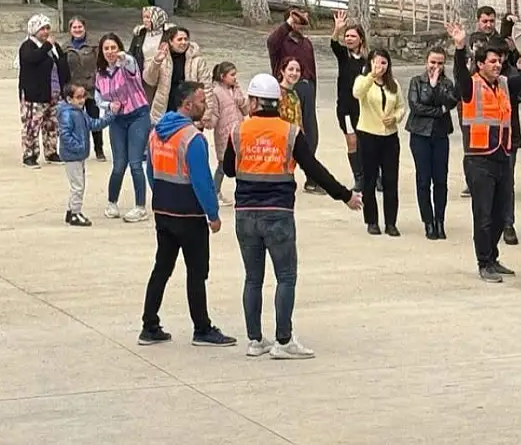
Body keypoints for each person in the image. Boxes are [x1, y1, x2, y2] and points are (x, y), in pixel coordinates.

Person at [223, 74, 363, 359]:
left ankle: (254, 340)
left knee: (253, 278)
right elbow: (314, 169)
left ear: (253, 101)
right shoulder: (290, 132)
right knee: (285, 276)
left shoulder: (238, 131)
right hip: (278, 213)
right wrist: (345, 195)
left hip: (245, 214)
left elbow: (227, 169)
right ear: (277, 102)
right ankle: (283, 341)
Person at [140, 80, 236, 347]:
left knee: (162, 268)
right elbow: (202, 180)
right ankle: (202, 328)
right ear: (187, 103)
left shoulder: (156, 132)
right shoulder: (192, 138)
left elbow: (151, 170)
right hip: (189, 215)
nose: (204, 106)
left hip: (163, 210)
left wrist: (161, 195)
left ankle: (149, 325)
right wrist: (212, 214)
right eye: (201, 101)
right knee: (196, 272)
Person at [448, 21, 521, 283]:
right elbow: (458, 74)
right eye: (491, 61)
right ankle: (484, 261)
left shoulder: (504, 83)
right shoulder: (470, 85)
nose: (497, 64)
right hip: (479, 157)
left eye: (499, 61)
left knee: (502, 213)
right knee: (483, 214)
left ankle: (493, 256)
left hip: (502, 153)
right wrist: (459, 47)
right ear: (480, 64)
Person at [94, 33, 152, 223]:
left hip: (138, 115)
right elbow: (98, 99)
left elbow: (131, 64)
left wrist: (123, 57)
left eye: (113, 47)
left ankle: (140, 207)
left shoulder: (127, 64)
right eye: (106, 48)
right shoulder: (100, 74)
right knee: (119, 164)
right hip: (117, 119)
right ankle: (112, 203)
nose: (110, 52)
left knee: (136, 162)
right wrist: (108, 106)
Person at [352, 48, 407, 236]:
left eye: (384, 63)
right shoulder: (363, 81)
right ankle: (372, 220)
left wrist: (396, 118)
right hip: (368, 135)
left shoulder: (394, 84)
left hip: (390, 137)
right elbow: (357, 93)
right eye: (377, 62)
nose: (380, 66)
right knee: (369, 179)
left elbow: (401, 106)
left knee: (391, 180)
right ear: (371, 63)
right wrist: (371, 76)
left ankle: (391, 222)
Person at [406, 47, 459, 240]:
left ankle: (439, 220)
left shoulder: (447, 83)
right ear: (426, 62)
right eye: (432, 62)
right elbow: (416, 106)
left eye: (439, 63)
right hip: (420, 134)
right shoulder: (416, 82)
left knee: (440, 180)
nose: (435, 66)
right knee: (423, 179)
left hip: (440, 135)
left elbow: (451, 103)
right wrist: (439, 110)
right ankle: (427, 221)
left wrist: (436, 86)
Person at [267, 7, 321, 193]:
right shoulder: (280, 42)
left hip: (307, 89)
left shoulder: (306, 43)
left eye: (303, 21)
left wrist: (312, 85)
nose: (300, 24)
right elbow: (271, 41)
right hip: (287, 92)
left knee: (311, 135)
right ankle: (279, 175)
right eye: (296, 21)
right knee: (285, 135)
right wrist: (289, 23)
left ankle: (312, 179)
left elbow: (311, 67)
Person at [58, 83, 117, 227]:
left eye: (83, 96)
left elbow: (94, 124)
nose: (82, 100)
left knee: (77, 184)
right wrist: (77, 147)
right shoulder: (67, 114)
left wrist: (111, 116)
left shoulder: (80, 113)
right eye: (78, 97)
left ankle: (71, 210)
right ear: (69, 99)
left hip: (79, 154)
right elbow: (64, 134)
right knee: (78, 185)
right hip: (73, 156)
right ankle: (75, 213)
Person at [18, 14, 69, 168]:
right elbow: (32, 59)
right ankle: (30, 155)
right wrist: (47, 46)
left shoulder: (53, 47)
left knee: (52, 125)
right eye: (42, 29)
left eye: (48, 28)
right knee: (32, 126)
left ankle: (51, 151)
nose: (46, 32)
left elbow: (61, 63)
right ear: (34, 30)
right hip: (34, 94)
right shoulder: (28, 46)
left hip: (54, 92)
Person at [330, 10, 369, 190]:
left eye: (353, 36)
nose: (349, 39)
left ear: (361, 39)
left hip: (365, 108)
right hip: (345, 108)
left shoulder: (368, 60)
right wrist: (337, 29)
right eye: (347, 36)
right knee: (352, 141)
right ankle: (359, 177)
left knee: (366, 142)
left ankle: (373, 175)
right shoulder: (343, 56)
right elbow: (333, 44)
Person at [203, 62, 249, 206]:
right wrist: (207, 123)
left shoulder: (236, 89)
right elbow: (215, 113)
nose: (235, 78)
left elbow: (245, 109)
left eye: (236, 75)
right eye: (232, 75)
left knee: (242, 164)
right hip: (224, 134)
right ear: (223, 77)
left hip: (240, 131)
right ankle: (215, 192)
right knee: (223, 165)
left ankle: (242, 193)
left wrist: (239, 95)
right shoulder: (216, 91)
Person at [144, 26, 208, 124]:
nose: (183, 42)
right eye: (179, 39)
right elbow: (149, 80)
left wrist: (206, 114)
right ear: (170, 41)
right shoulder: (161, 57)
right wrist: (156, 62)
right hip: (164, 109)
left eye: (186, 39)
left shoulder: (197, 60)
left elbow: (207, 87)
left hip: (189, 111)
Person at [64, 16, 105, 161]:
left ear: (84, 27)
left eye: (79, 27)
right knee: (75, 121)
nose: (77, 30)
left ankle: (99, 149)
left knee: (94, 119)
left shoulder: (94, 45)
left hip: (91, 89)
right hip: (74, 90)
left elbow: (102, 63)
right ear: (70, 30)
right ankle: (78, 148)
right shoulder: (65, 47)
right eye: (74, 27)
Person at [128, 6, 175, 92]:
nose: (145, 20)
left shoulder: (169, 33)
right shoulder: (140, 33)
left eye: (148, 17)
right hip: (143, 77)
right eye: (143, 17)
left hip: (163, 77)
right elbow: (131, 53)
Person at [276, 57, 304, 126]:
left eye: (298, 70)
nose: (294, 73)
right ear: (282, 71)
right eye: (291, 69)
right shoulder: (276, 92)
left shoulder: (294, 93)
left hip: (294, 135)